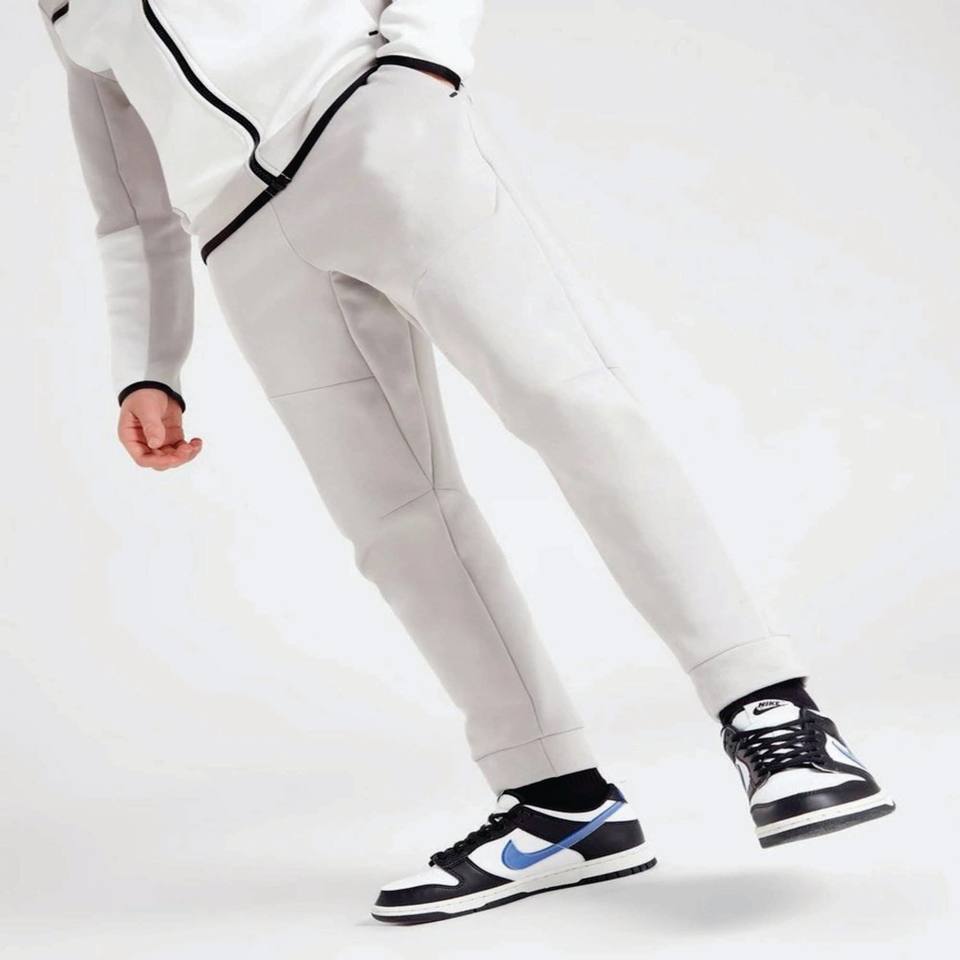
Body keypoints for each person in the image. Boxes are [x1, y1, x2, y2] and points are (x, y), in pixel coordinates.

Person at [41, 0, 894, 925]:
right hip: (243, 238)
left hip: (367, 125)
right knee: (393, 521)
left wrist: (421, 63)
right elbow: (129, 210)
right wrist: (147, 369)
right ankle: (559, 803)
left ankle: (774, 714)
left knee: (568, 403)